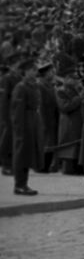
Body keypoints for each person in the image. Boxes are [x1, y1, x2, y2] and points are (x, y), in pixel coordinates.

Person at [9, 57, 40, 195]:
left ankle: (24, 183)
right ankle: (19, 185)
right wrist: (19, 129)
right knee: (21, 154)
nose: (35, 72)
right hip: (23, 124)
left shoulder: (31, 86)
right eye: (33, 70)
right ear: (26, 71)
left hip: (31, 122)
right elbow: (17, 111)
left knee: (27, 154)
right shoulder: (21, 87)